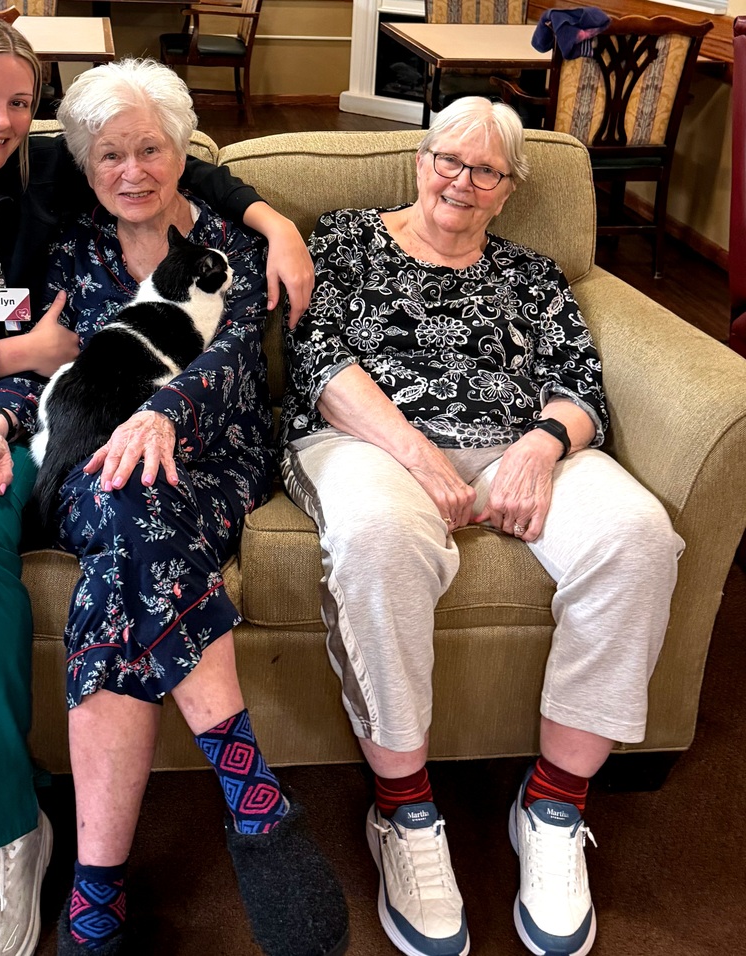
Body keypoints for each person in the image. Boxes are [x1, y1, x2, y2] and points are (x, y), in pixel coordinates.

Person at [0, 18, 316, 956]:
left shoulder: (88, 194)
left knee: (40, 529)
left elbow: (184, 193)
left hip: (165, 446)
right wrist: (0, 407)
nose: (1, 120)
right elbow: (2, 354)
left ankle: (51, 857)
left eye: (17, 102)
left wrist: (273, 220)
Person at [0, 58, 350, 956]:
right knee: (124, 496)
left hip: (214, 451)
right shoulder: (68, 246)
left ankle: (98, 885)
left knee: (126, 521)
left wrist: (162, 413)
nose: (133, 171)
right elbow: (38, 359)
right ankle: (251, 794)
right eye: (110, 155)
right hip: (95, 462)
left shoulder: (232, 245)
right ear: (85, 166)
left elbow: (234, 358)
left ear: (181, 152)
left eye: (151, 150)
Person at [278, 97, 685, 956]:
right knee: (380, 539)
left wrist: (541, 446)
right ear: (420, 161)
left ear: (509, 189)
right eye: (448, 160)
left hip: (514, 446)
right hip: (370, 440)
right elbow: (320, 365)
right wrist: (421, 457)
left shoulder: (533, 274)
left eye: (487, 170)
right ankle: (403, 810)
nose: (462, 181)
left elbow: (580, 385)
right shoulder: (346, 239)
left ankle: (554, 803)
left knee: (637, 537)